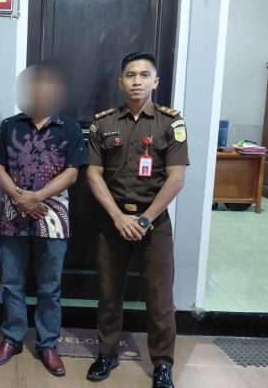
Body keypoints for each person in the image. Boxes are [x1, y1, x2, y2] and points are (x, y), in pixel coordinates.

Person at [85, 52, 189, 388]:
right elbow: (93, 174)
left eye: (144, 75)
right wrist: (118, 217)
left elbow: (176, 178)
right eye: (130, 75)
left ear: (155, 82)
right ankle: (107, 353)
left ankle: (162, 365)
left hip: (154, 224)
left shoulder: (170, 123)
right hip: (112, 222)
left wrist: (144, 220)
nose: (137, 81)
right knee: (109, 294)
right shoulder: (102, 124)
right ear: (120, 82)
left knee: (160, 300)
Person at [0, 63, 87, 377]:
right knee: (12, 283)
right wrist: (20, 199)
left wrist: (37, 196)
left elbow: (73, 173)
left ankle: (47, 344)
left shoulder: (69, 128)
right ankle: (12, 338)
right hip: (13, 216)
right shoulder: (9, 126)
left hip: (53, 218)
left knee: (49, 286)